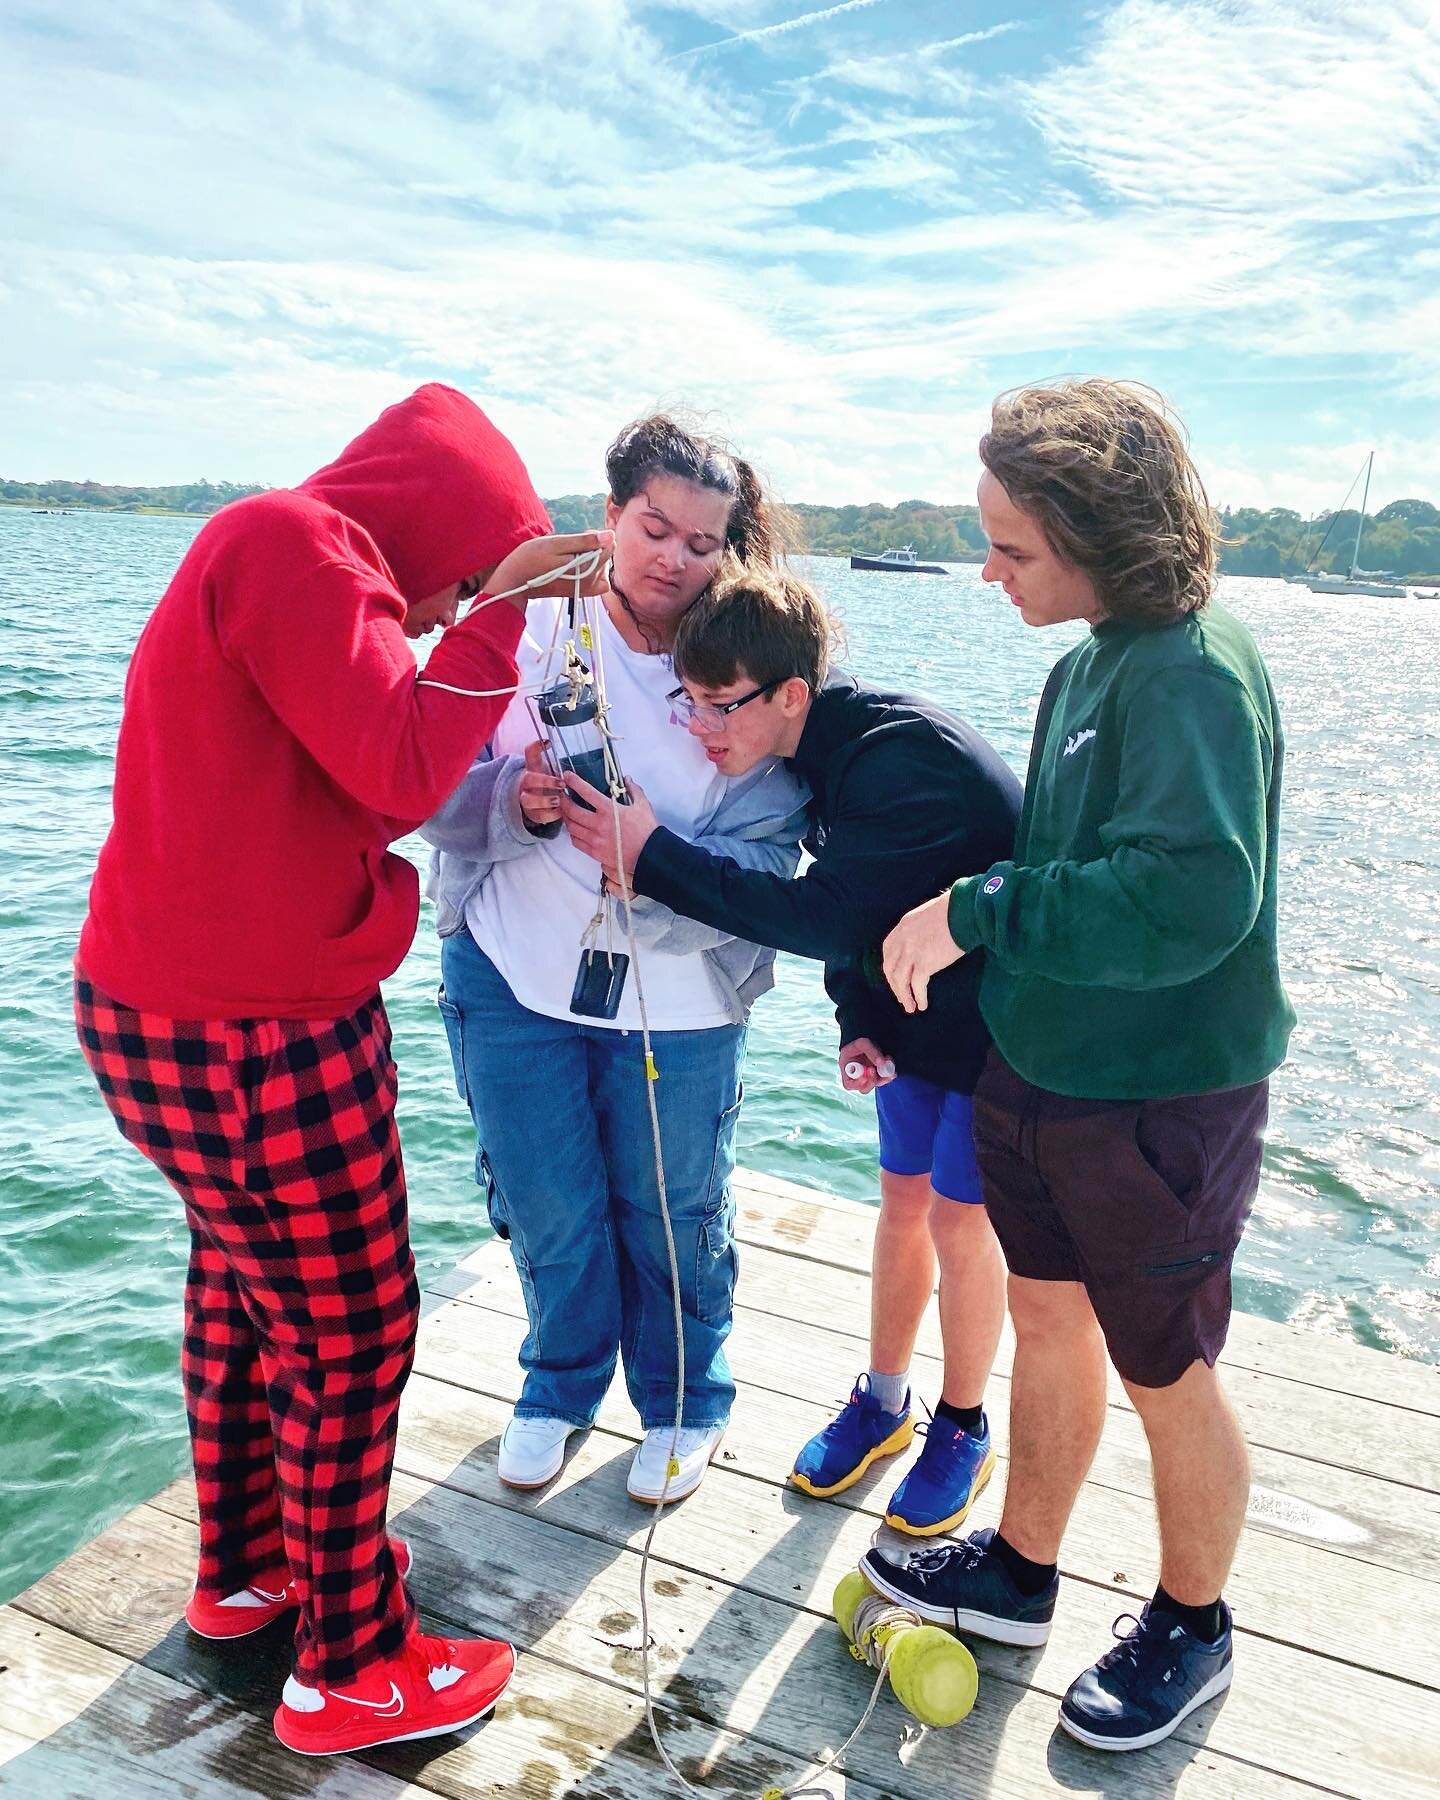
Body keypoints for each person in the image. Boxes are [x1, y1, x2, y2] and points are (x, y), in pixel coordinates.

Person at [74, 383, 611, 1757]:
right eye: (446, 583)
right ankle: (352, 1667)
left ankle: (253, 1576)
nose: (436, 616)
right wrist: (501, 610)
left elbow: (367, 752)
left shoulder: (287, 559)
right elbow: (396, 773)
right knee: (354, 1326)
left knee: (247, 1296)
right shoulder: (297, 547)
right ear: (436, 527)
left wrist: (470, 608)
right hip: (256, 1030)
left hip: (174, 1014)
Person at [866, 379, 1295, 1752]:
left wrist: (978, 911)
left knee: (1167, 1365)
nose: (989, 572)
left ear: (1104, 537)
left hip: (1162, 1093)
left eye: (1014, 549)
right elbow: (1071, 866)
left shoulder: (1191, 670)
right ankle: (1020, 1567)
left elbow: (1189, 897)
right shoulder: (1087, 661)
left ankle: (1195, 1622)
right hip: (1044, 1071)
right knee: (1049, 1323)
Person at [561, 562, 1023, 1536]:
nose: (701, 728)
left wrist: (646, 855)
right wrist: (858, 1015)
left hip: (1012, 1028)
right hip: (915, 1010)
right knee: (902, 1207)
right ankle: (886, 1399)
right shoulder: (819, 752)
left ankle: (965, 1425)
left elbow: (821, 910)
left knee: (959, 1225)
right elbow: (863, 909)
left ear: (793, 695)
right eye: (687, 703)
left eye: (721, 706)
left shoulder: (900, 760)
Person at [422, 417, 808, 1505]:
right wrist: (517, 801)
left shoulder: (756, 656)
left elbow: (777, 864)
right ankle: (557, 1383)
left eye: (702, 539)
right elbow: (420, 790)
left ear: (731, 548)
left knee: (672, 1206)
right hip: (507, 976)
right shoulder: (522, 624)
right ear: (610, 516)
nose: (673, 558)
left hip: (679, 1002)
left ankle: (689, 1398)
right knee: (547, 1200)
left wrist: (658, 858)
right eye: (653, 527)